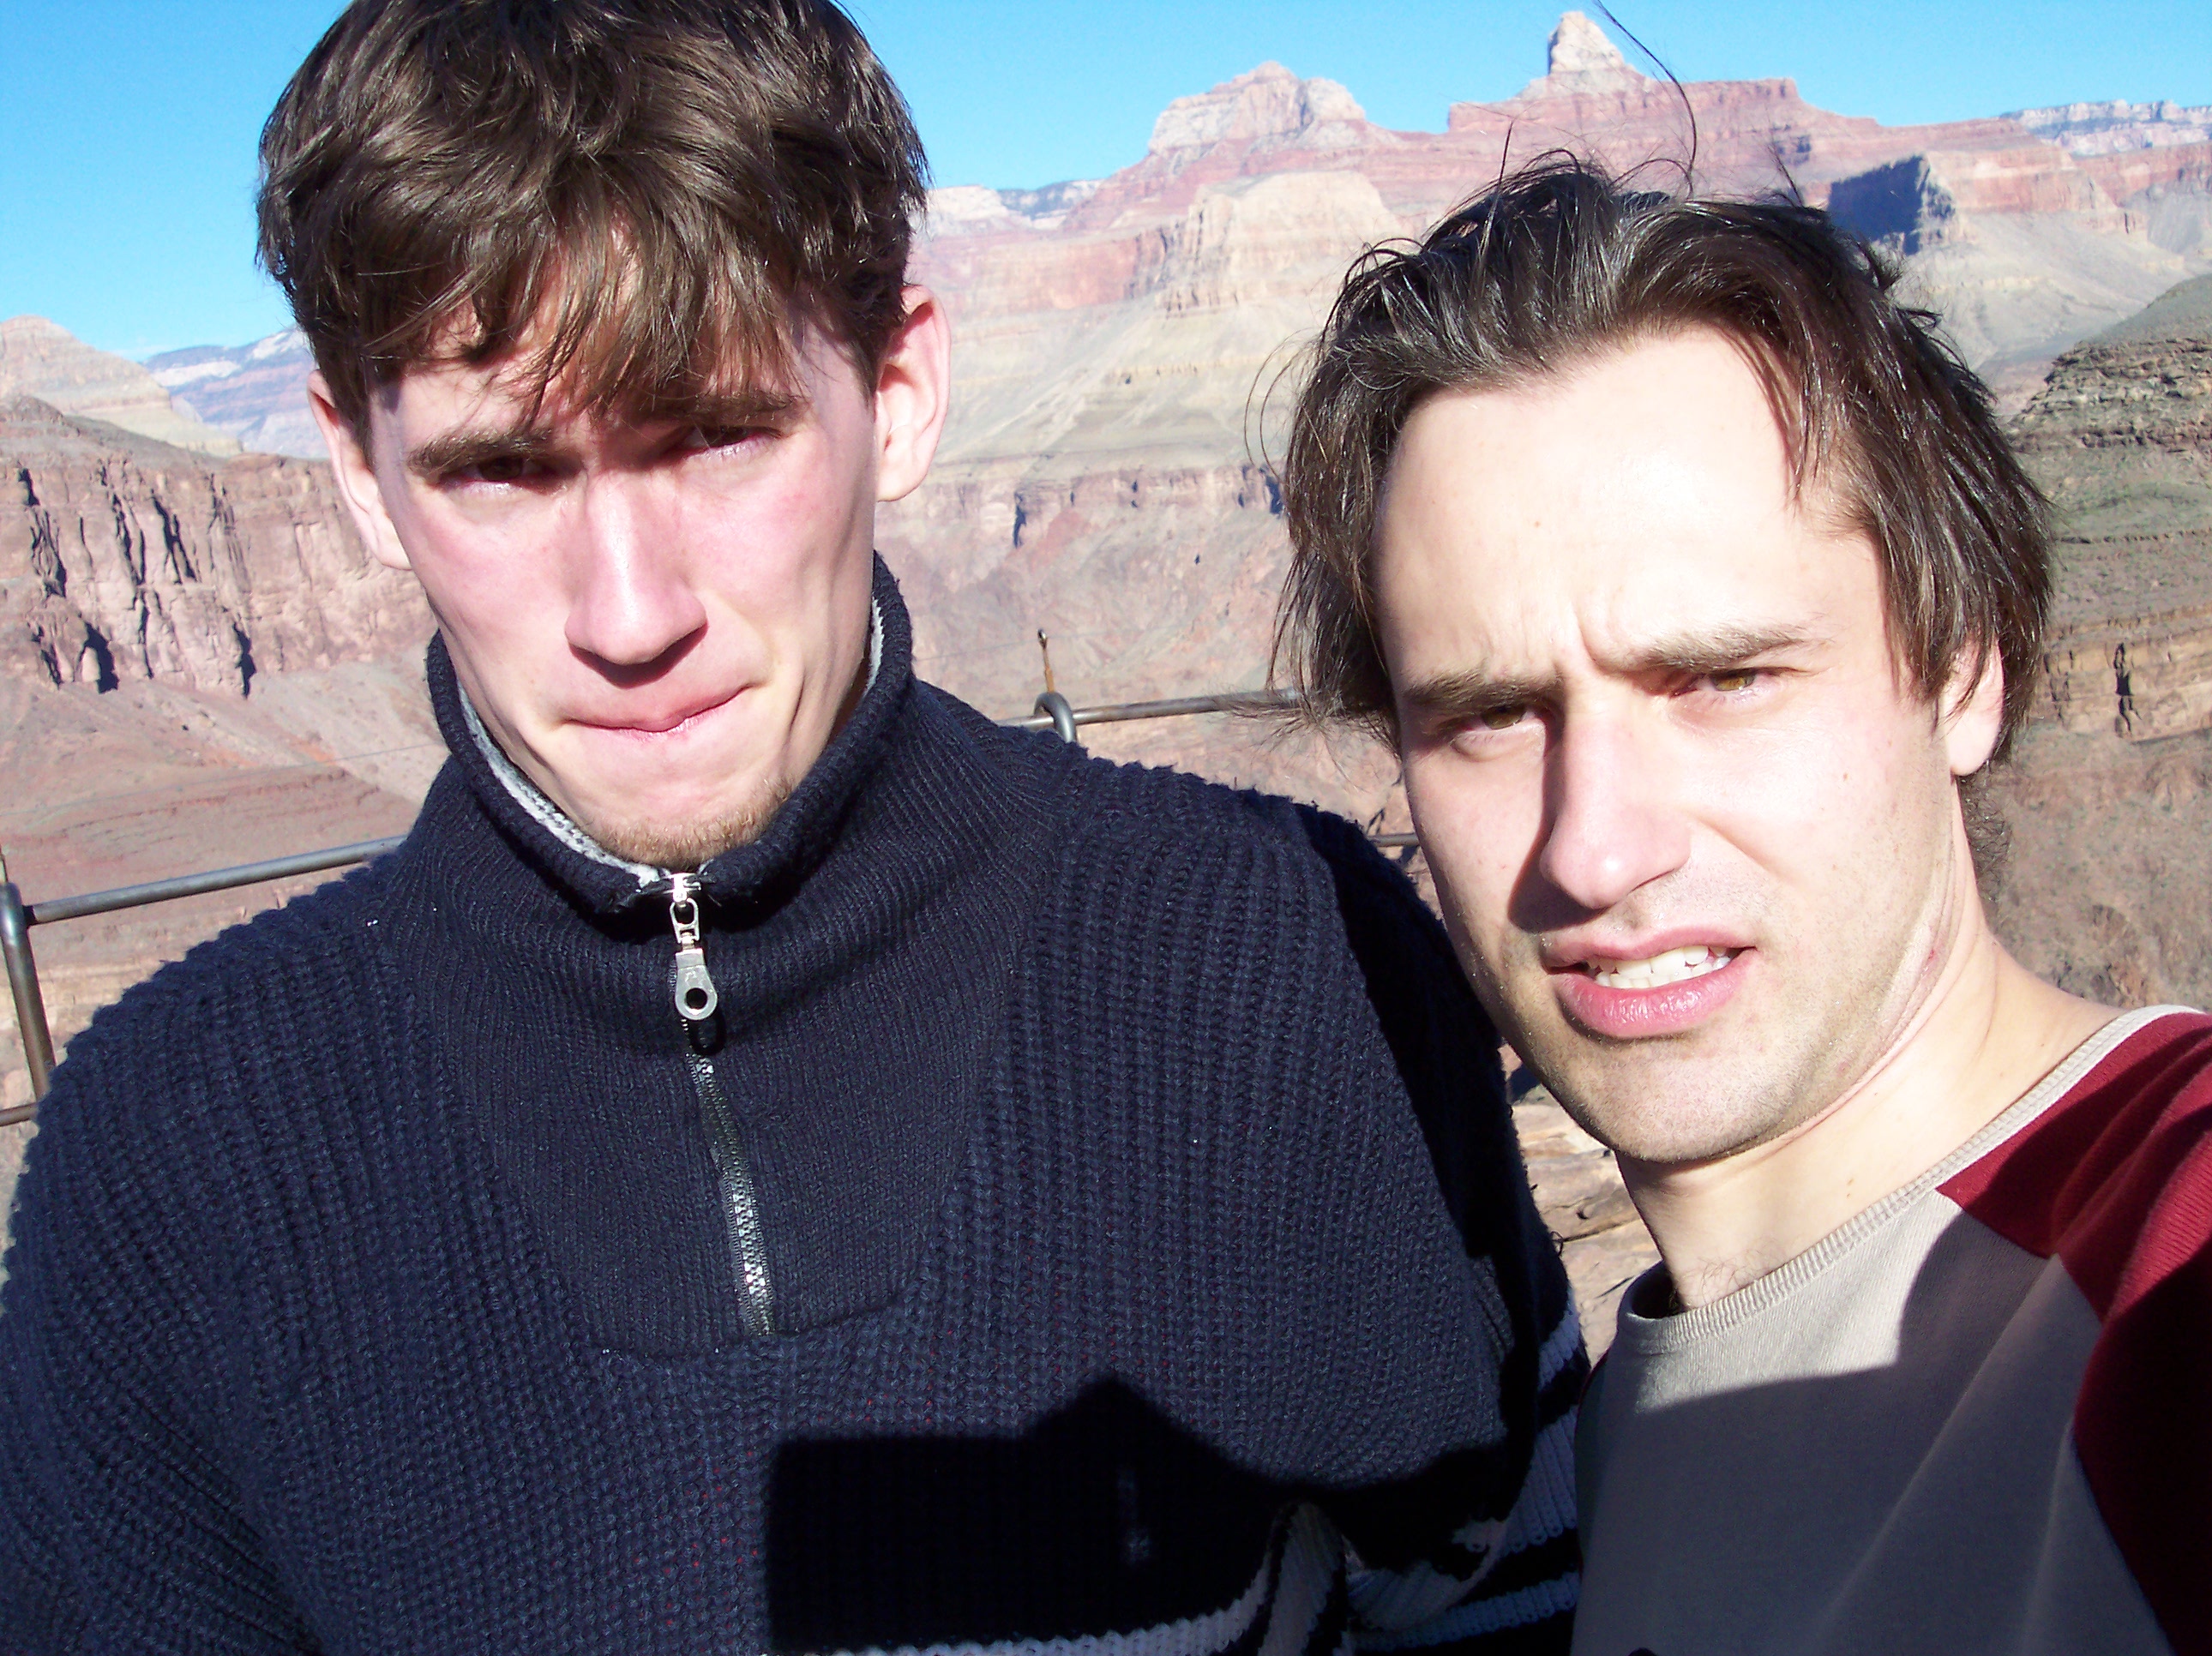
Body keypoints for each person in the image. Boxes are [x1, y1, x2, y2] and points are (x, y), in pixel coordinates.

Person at [0, 3, 1584, 1650]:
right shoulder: (168, 1166)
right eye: (501, 474)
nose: (629, 615)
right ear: (355, 467)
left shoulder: (1287, 958)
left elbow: (1513, 1601)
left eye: (718, 436)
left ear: (898, 391)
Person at [1276, 159, 2210, 1656]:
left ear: (1965, 670)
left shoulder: (2158, 1257)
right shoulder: (1609, 1447)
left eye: (1723, 678)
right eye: (1492, 715)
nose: (1596, 850)